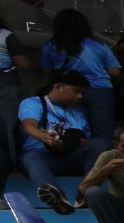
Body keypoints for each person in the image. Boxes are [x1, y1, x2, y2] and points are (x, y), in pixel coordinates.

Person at [39, 9, 121, 152]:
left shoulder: (51, 45)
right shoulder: (99, 45)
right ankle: (104, 165)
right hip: (100, 91)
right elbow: (115, 71)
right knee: (104, 131)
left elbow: (46, 70)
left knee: (72, 128)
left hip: (67, 91)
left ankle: (76, 159)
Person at [21, 70, 103, 212]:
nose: (79, 96)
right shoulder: (33, 103)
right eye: (76, 91)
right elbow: (29, 126)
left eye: (82, 93)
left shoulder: (79, 112)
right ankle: (58, 198)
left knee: (99, 144)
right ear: (57, 87)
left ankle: (85, 195)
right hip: (42, 158)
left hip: (70, 157)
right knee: (31, 157)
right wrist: (46, 137)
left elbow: (86, 139)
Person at [0, 14, 29, 183]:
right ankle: (8, 168)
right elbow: (24, 64)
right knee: (7, 128)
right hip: (6, 84)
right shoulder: (6, 35)